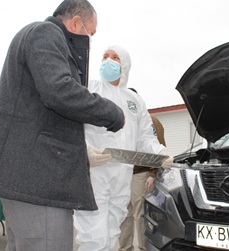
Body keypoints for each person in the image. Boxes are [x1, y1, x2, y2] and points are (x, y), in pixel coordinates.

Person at [0, 0, 125, 251]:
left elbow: (44, 110)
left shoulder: (41, 36)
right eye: (90, 32)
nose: (89, 40)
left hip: (28, 173)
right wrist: (112, 113)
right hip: (36, 174)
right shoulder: (46, 33)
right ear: (76, 22)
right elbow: (59, 91)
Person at [73, 45, 173, 251]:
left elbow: (144, 137)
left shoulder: (134, 100)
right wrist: (85, 150)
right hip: (93, 173)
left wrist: (159, 152)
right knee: (92, 234)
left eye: (115, 58)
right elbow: (72, 126)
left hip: (121, 175)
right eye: (105, 56)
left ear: (125, 65)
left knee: (113, 231)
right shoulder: (88, 89)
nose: (108, 61)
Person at [118, 107, 166, 250]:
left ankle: (143, 248)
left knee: (140, 214)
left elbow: (159, 146)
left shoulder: (151, 121)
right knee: (124, 214)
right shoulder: (124, 120)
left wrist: (152, 173)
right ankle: (125, 248)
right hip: (123, 173)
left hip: (140, 173)